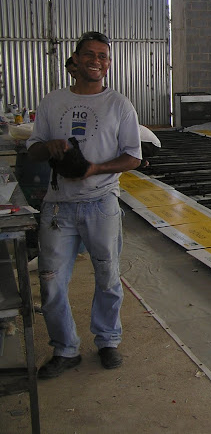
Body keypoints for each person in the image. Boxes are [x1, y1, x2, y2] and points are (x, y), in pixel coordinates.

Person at [27, 31, 142, 379]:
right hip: (58, 207)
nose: (97, 61)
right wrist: (49, 147)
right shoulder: (52, 102)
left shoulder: (119, 104)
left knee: (107, 277)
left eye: (103, 56)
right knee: (50, 282)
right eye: (90, 55)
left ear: (108, 63)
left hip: (101, 203)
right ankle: (65, 349)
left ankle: (107, 340)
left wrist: (94, 168)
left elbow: (133, 157)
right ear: (75, 60)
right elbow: (32, 149)